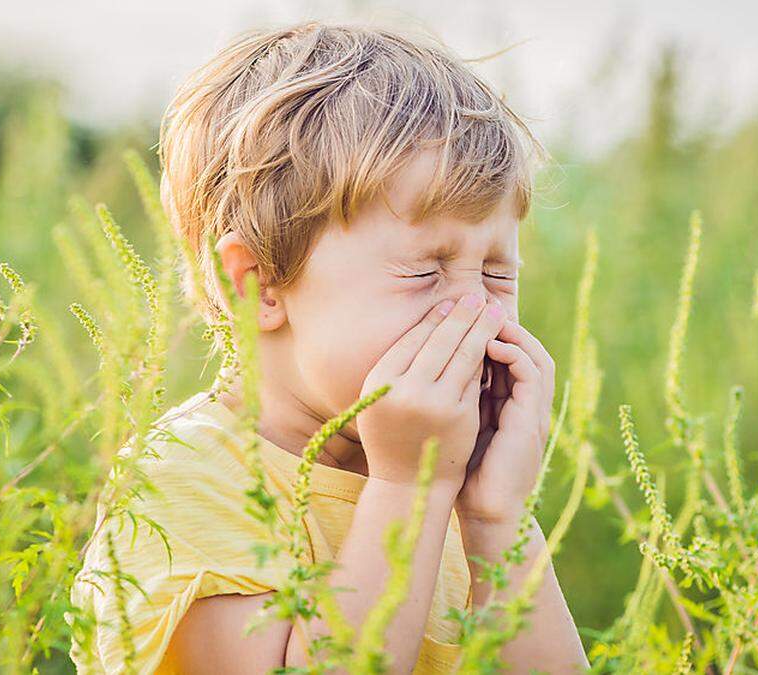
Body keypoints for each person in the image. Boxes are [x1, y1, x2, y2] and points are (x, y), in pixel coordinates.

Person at [68, 20, 588, 674]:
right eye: (426, 271)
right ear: (257, 284)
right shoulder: (187, 481)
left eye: (496, 273)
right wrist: (408, 488)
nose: (476, 313)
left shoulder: (455, 483)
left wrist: (497, 517)